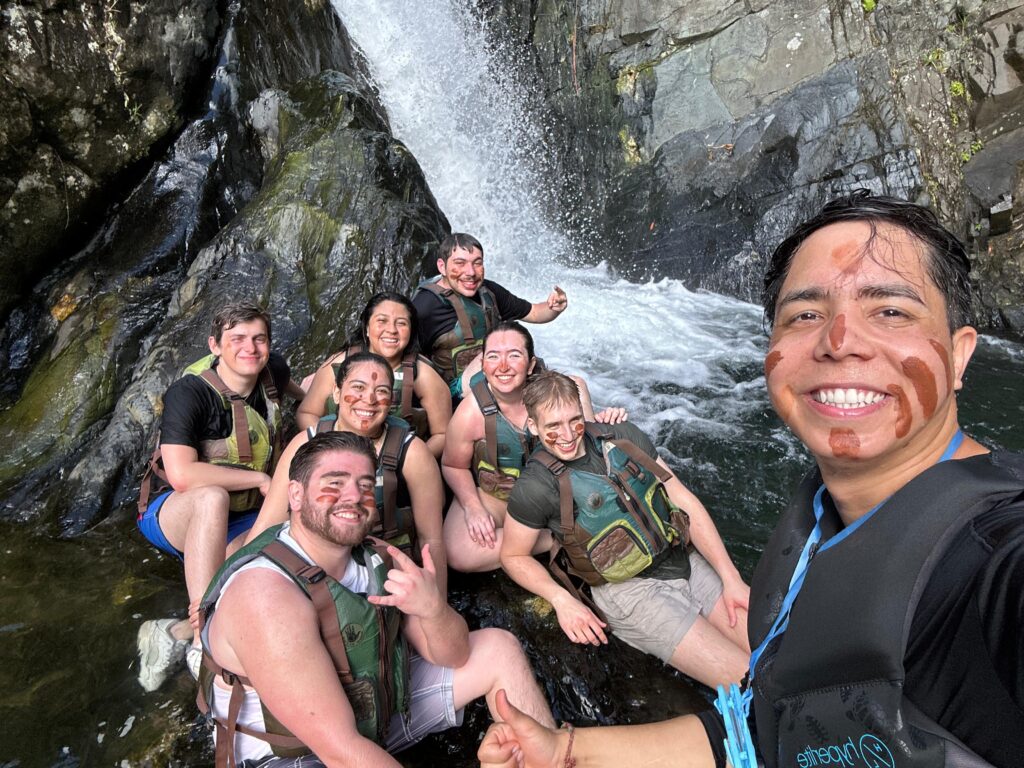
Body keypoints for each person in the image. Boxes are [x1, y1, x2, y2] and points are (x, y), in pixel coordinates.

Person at [477, 193, 1024, 768]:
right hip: (631, 590)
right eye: (806, 314)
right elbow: (765, 722)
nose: (840, 341)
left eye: (890, 310)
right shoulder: (815, 515)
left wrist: (731, 580)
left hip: (681, 567)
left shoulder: (998, 554)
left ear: (962, 356)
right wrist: (565, 749)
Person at [198, 431, 555, 767]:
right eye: (334, 484)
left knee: (497, 649)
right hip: (296, 755)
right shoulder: (265, 594)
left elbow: (456, 655)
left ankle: (554, 758)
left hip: (373, 715)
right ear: (294, 494)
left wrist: (432, 609)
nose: (353, 496)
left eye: (365, 486)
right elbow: (341, 751)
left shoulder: (377, 558)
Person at [500, 370, 750, 689]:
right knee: (750, 679)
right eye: (553, 426)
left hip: (681, 560)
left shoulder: (622, 436)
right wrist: (563, 601)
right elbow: (512, 555)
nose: (567, 434)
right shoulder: (535, 487)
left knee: (774, 649)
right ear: (534, 426)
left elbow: (681, 496)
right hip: (630, 593)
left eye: (574, 420)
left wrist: (731, 578)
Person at [135, 302, 299, 691]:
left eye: (259, 339)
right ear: (215, 345)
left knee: (269, 560)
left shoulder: (272, 370)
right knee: (211, 497)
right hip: (172, 512)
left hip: (243, 515)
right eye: (237, 339)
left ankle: (169, 632)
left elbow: (302, 395)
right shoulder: (190, 393)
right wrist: (260, 478)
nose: (250, 348)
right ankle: (200, 639)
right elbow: (181, 474)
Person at [247, 352, 448, 595]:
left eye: (382, 391)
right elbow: (268, 525)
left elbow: (432, 539)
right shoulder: (305, 444)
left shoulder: (413, 452)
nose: (370, 399)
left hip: (383, 565)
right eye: (358, 388)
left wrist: (436, 606)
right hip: (315, 563)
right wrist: (227, 589)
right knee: (238, 551)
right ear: (336, 393)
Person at [441, 322, 618, 573]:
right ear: (483, 365)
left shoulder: (567, 391)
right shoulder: (471, 412)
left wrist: (607, 421)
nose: (503, 366)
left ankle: (554, 536)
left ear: (531, 364)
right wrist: (473, 508)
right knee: (459, 552)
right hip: (498, 498)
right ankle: (557, 540)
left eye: (514, 355)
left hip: (557, 497)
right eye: (493, 357)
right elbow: (452, 464)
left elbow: (590, 449)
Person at [413, 232, 568, 399]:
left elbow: (535, 313)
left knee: (572, 384)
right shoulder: (424, 306)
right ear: (442, 266)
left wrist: (554, 307)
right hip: (450, 393)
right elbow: (408, 362)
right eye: (460, 263)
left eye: (477, 263)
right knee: (492, 355)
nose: (470, 272)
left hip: (494, 377)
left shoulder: (490, 292)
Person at [297, 292, 452, 458]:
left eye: (401, 323)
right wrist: (329, 449)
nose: (392, 330)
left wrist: (404, 463)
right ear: (367, 328)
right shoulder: (338, 364)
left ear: (411, 331)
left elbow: (443, 435)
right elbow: (307, 413)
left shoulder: (423, 374)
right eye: (382, 321)